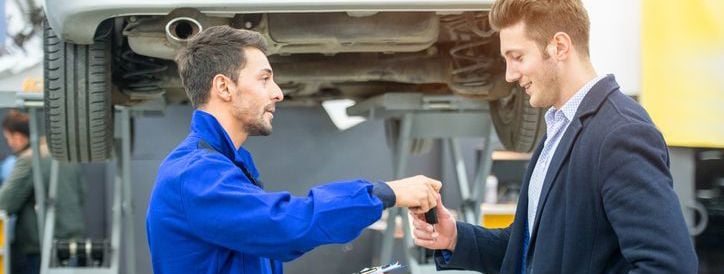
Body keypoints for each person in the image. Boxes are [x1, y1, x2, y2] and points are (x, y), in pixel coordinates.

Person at [411, 0, 698, 273]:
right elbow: (530, 250)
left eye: (518, 57)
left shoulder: (620, 133)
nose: (510, 75)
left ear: (559, 46)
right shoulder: (560, 129)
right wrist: (455, 238)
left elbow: (670, 265)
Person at [145, 25, 443, 274]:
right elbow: (285, 226)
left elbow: (263, 246)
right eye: (264, 79)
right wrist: (384, 193)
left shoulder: (221, 167)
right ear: (224, 87)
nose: (278, 92)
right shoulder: (196, 174)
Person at [0, 109, 86, 274]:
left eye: (8, 138)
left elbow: (5, 203)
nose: (10, 143)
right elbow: (82, 194)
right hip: (73, 243)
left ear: (17, 137)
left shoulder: (29, 159)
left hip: (39, 248)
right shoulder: (65, 155)